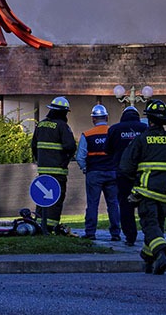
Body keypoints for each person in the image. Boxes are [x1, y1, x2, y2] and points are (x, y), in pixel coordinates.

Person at [118, 99, 166, 274]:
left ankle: (161, 252)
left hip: (146, 192)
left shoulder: (142, 139)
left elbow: (125, 167)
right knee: (156, 227)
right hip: (165, 195)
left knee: (149, 225)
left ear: (149, 120)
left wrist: (135, 180)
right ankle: (148, 259)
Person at [76, 104, 121, 241]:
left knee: (92, 204)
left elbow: (80, 156)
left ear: (93, 119)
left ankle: (90, 232)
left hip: (94, 173)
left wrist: (85, 168)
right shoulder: (113, 132)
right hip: (112, 172)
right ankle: (115, 233)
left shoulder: (87, 134)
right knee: (113, 204)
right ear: (107, 117)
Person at [32, 96, 77, 233]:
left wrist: (39, 160)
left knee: (41, 198)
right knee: (55, 199)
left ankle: (40, 224)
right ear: (64, 112)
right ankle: (51, 226)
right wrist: (66, 159)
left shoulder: (40, 125)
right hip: (58, 171)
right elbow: (70, 146)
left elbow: (33, 146)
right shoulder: (62, 126)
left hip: (43, 170)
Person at [106, 105, 147, 246]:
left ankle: (130, 236)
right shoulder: (144, 129)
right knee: (145, 203)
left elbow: (107, 150)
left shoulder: (114, 129)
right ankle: (150, 233)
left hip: (122, 174)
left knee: (125, 205)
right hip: (143, 173)